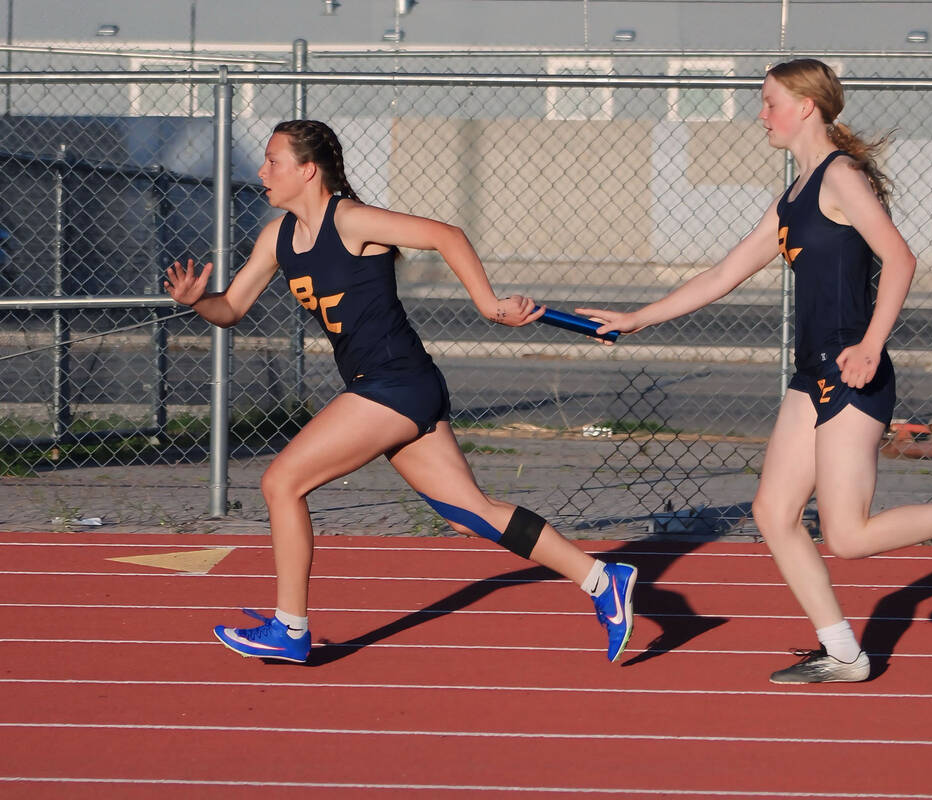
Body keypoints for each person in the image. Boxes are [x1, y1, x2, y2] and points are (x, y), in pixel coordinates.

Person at [577, 59, 932, 684]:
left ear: (806, 106)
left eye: (769, 101)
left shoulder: (842, 177)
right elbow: (721, 275)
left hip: (854, 369)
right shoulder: (792, 198)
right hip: (811, 375)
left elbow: (900, 260)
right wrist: (636, 318)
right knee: (774, 514)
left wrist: (873, 344)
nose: (760, 114)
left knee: (847, 536)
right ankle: (843, 651)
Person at [163, 119, 636, 665]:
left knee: (282, 481)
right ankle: (602, 579)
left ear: (307, 170)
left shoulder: (354, 220)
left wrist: (487, 304)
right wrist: (197, 301)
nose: (263, 172)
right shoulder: (277, 238)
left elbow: (447, 235)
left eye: (273, 161)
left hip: (395, 383)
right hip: (393, 387)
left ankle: (290, 628)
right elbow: (232, 309)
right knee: (467, 513)